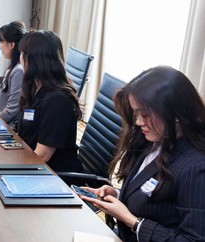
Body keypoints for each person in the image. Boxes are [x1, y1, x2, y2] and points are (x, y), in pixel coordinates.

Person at [79, 66, 205, 242]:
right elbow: (154, 195)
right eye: (136, 114)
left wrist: (133, 221)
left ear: (175, 114)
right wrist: (117, 194)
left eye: (144, 115)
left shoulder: (196, 168)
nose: (138, 122)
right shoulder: (155, 140)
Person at [15, 30, 82, 173]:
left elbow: (42, 155)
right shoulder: (35, 88)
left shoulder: (57, 101)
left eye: (22, 53)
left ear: (33, 59)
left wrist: (8, 164)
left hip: (53, 176)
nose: (20, 58)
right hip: (32, 163)